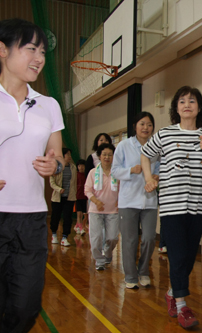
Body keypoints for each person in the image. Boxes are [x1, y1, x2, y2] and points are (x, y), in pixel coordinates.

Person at [0, 18, 64, 332]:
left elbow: (60, 158)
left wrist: (55, 166)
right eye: (30, 49)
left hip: (32, 219)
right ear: (2, 50)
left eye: (42, 51)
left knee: (25, 305)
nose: (39, 58)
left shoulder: (48, 105)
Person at [142, 86, 202, 329]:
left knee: (189, 255)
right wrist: (148, 179)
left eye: (192, 101)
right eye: (181, 101)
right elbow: (145, 154)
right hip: (172, 204)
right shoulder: (165, 134)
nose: (186, 104)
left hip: (199, 203)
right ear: (175, 108)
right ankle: (182, 306)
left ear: (199, 107)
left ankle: (173, 291)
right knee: (176, 253)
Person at [111, 112, 160, 288]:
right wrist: (130, 170)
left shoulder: (156, 147)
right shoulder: (124, 146)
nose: (146, 128)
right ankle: (130, 276)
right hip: (128, 201)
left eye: (149, 124)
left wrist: (157, 175)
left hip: (149, 201)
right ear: (135, 126)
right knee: (130, 240)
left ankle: (143, 270)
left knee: (148, 238)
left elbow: (161, 167)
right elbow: (114, 171)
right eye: (142, 124)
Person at [85, 143, 119, 271]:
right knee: (96, 237)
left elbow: (123, 189)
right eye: (104, 154)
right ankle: (99, 260)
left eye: (110, 155)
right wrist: (96, 201)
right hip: (95, 210)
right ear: (99, 156)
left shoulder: (117, 173)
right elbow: (87, 190)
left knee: (113, 238)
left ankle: (108, 254)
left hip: (113, 211)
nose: (107, 157)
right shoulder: (93, 173)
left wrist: (120, 201)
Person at [50, 147, 77, 246]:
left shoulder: (73, 168)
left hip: (69, 197)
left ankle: (65, 237)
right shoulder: (56, 167)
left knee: (67, 218)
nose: (69, 156)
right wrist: (58, 189)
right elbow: (51, 182)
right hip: (57, 197)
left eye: (70, 154)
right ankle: (54, 234)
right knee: (55, 217)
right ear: (63, 155)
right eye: (68, 154)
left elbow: (74, 183)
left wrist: (74, 194)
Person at [74, 159, 88, 235]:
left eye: (82, 165)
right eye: (79, 166)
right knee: (79, 214)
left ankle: (77, 225)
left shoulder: (86, 175)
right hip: (77, 197)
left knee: (84, 214)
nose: (81, 167)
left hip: (85, 197)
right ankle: (81, 228)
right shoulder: (76, 175)